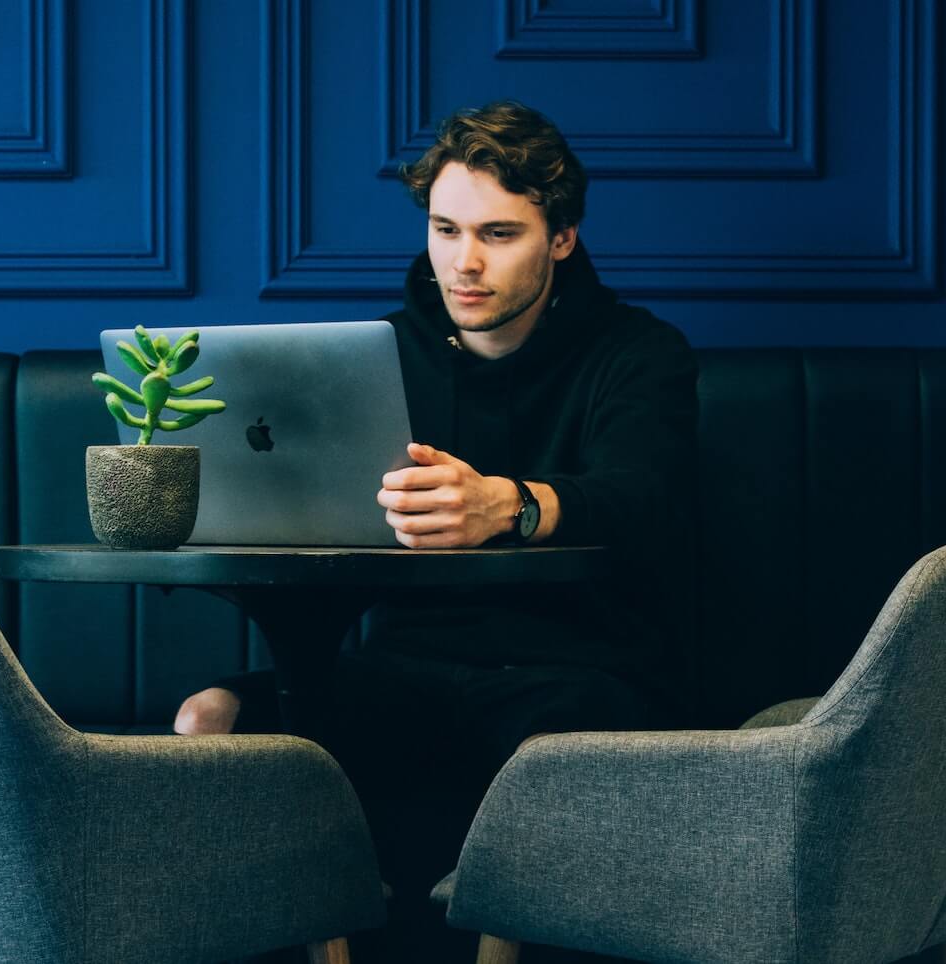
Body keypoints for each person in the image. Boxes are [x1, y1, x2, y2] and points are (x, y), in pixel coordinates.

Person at [174, 101, 699, 961]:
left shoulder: (638, 353)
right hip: (406, 669)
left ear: (561, 238)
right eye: (445, 229)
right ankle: (324, 942)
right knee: (209, 718)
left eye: (499, 234)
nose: (465, 263)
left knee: (551, 752)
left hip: (576, 672)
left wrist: (511, 504)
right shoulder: (379, 353)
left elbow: (646, 498)